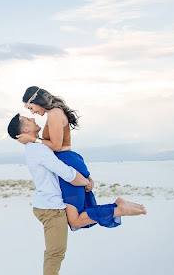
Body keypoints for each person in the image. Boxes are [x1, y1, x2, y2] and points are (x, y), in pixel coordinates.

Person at [8, 114, 147, 275]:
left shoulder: (36, 146)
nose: (32, 118)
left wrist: (86, 180)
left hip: (51, 205)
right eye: (28, 118)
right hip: (50, 209)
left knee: (57, 253)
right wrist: (84, 181)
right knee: (54, 256)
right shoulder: (37, 149)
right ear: (25, 130)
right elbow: (63, 171)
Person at [17, 86, 146, 230]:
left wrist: (34, 140)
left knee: (75, 220)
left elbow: (57, 146)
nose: (32, 112)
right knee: (75, 218)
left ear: (37, 100)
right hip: (68, 161)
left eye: (30, 107)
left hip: (66, 160)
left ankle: (119, 209)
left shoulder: (54, 113)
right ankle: (118, 207)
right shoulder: (54, 113)